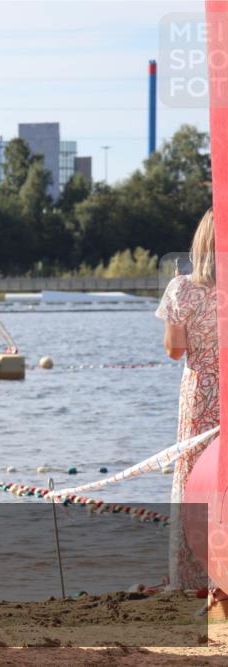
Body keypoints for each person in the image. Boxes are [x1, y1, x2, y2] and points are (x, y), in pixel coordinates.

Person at [156, 207, 222, 600]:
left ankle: (193, 575)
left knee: (193, 479)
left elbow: (174, 351)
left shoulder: (182, 288)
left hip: (201, 395)